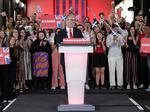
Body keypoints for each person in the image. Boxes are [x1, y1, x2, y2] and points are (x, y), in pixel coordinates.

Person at [106, 24, 125, 89]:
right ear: (112, 29)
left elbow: (122, 44)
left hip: (119, 55)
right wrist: (113, 40)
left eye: (117, 29)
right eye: (115, 29)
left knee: (120, 70)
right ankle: (112, 84)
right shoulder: (109, 36)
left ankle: (120, 84)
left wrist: (118, 40)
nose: (116, 30)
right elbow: (108, 45)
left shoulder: (120, 35)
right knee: (111, 70)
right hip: (111, 56)